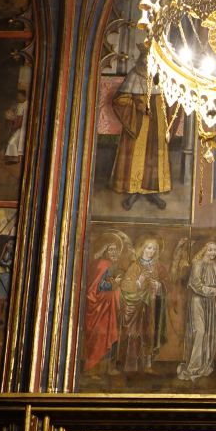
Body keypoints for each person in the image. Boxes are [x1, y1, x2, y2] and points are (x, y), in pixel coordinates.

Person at [109, 53, 171, 211]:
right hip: (138, 121)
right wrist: (138, 105)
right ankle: (134, 190)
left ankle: (152, 191)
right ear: (141, 59)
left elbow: (172, 98)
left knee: (155, 154)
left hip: (158, 121)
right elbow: (120, 100)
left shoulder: (163, 75)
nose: (148, 62)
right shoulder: (134, 75)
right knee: (136, 153)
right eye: (146, 59)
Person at [177, 241, 216, 381]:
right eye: (210, 250)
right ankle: (192, 368)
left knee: (214, 333)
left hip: (209, 302)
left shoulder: (212, 265)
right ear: (204, 250)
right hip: (198, 301)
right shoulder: (197, 265)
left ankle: (204, 365)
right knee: (200, 332)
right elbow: (197, 286)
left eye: (215, 250)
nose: (213, 253)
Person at [115, 239, 166, 376]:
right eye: (149, 248)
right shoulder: (135, 266)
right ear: (143, 249)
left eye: (154, 249)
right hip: (135, 307)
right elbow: (125, 285)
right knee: (134, 334)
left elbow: (160, 287)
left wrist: (158, 286)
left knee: (149, 334)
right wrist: (140, 281)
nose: (151, 251)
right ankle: (131, 366)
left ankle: (148, 365)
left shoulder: (155, 267)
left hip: (150, 306)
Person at [82, 240, 121, 372]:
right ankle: (95, 368)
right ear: (105, 252)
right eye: (111, 249)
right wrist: (113, 284)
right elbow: (97, 285)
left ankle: (107, 368)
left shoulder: (111, 265)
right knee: (100, 337)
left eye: (115, 249)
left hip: (109, 307)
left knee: (110, 335)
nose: (114, 252)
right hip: (100, 308)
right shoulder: (103, 265)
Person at [4, 89, 28, 164]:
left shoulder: (27, 104)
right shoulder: (19, 104)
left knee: (12, 142)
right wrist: (12, 117)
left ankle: (15, 159)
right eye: (17, 96)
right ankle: (14, 159)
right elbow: (17, 116)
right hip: (19, 125)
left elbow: (20, 119)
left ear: (24, 96)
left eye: (20, 96)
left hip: (23, 127)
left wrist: (15, 126)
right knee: (14, 142)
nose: (18, 97)